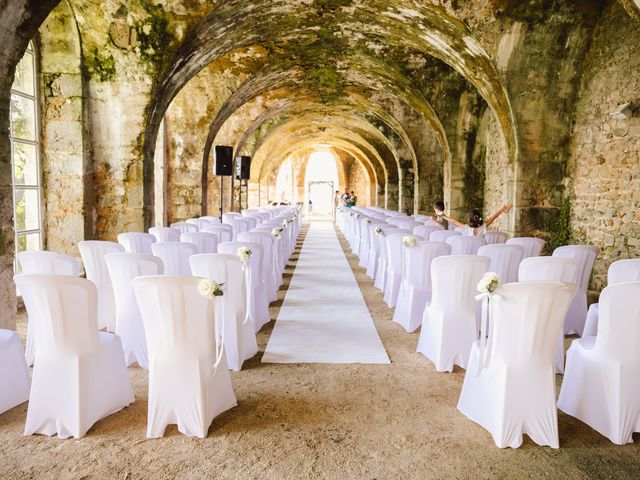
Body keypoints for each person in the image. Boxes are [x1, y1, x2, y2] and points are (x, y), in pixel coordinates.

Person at [445, 204, 512, 237]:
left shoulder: (467, 228)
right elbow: (494, 217)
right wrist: (503, 208)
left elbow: (454, 221)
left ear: (470, 219)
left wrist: (444, 216)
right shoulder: (483, 226)